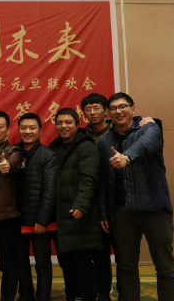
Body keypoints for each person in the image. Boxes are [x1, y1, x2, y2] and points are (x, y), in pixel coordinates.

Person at [98, 92, 174, 300]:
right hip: (122, 212)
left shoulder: (149, 128)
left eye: (123, 106)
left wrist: (127, 157)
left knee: (165, 267)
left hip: (154, 208)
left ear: (133, 109)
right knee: (126, 267)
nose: (118, 111)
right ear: (108, 113)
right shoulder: (105, 141)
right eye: (113, 108)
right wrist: (104, 213)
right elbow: (104, 181)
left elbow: (146, 144)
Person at [49, 108, 101, 301]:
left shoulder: (86, 147)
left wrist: (80, 205)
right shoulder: (54, 147)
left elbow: (88, 179)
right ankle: (73, 297)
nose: (64, 126)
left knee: (83, 264)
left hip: (78, 215)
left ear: (77, 124)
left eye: (68, 122)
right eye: (60, 122)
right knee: (66, 264)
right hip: (60, 216)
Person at [14, 112, 58, 301]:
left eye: (32, 128)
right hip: (17, 221)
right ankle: (26, 295)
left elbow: (50, 191)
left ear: (40, 130)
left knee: (42, 264)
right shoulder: (13, 152)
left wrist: (42, 220)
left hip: (40, 224)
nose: (27, 131)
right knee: (20, 262)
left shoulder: (48, 155)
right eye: (23, 128)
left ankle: (42, 297)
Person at [0, 111, 22, 301]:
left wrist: (7, 165)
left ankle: (8, 297)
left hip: (6, 216)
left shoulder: (13, 150)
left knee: (7, 262)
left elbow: (13, 163)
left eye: (0, 126)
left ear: (8, 130)